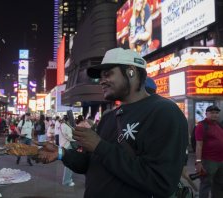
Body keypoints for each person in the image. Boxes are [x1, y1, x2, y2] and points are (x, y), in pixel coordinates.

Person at [35, 48, 188, 197]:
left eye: (108, 74)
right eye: (100, 77)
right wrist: (62, 153)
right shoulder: (109, 116)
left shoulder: (164, 112)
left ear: (131, 72)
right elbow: (91, 164)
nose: (102, 81)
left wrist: (99, 146)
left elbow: (161, 182)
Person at [195, 105, 223, 198]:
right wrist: (198, 162)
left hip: (221, 161)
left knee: (219, 185)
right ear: (206, 114)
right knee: (205, 185)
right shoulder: (201, 125)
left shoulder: (219, 125)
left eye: (216, 113)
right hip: (208, 161)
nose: (214, 115)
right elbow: (199, 145)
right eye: (212, 113)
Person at [59, 115, 75, 187]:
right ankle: (66, 181)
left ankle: (67, 179)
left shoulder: (63, 125)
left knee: (68, 163)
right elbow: (68, 136)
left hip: (65, 145)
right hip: (67, 145)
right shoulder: (65, 126)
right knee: (69, 164)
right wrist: (76, 140)